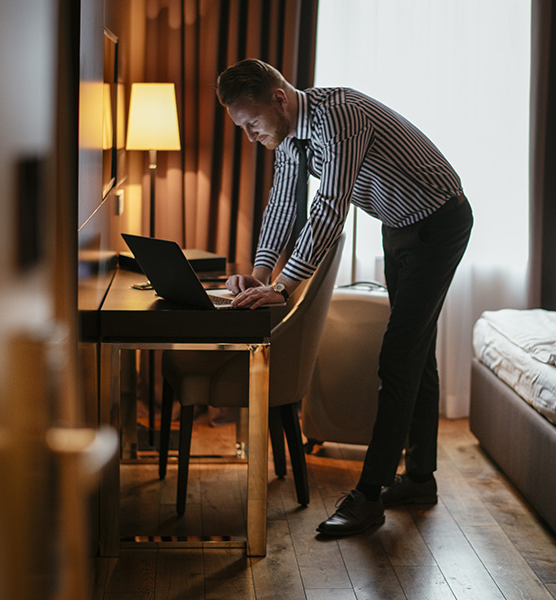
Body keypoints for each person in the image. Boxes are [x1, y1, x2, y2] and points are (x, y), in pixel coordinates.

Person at [217, 58, 473, 536]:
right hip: (399, 226)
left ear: (278, 98)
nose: (250, 136)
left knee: (399, 357)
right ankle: (419, 479)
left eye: (252, 124)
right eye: (242, 128)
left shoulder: (339, 116)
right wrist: (258, 273)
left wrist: (283, 288)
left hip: (439, 223)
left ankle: (369, 496)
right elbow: (282, 203)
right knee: (418, 354)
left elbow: (329, 206)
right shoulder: (290, 135)